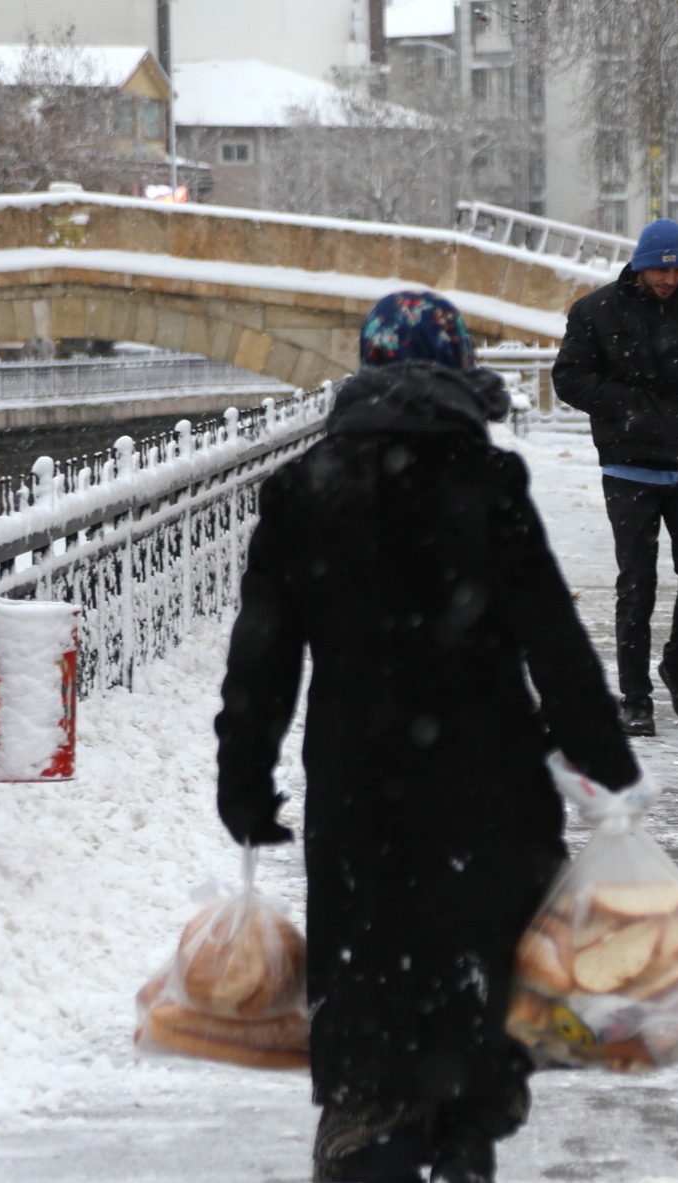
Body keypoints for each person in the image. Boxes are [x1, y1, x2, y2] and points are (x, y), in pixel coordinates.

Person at [215, 291, 640, 1183]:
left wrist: (245, 780)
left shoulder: (303, 488)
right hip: (488, 778)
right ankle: (465, 1128)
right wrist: (602, 759)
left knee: (367, 959)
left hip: (360, 783)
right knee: (479, 958)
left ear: (365, 369)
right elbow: (550, 635)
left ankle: (369, 1120)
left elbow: (262, 656)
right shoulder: (487, 483)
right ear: (459, 371)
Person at [552, 218, 678, 737]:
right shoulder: (595, 311)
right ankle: (635, 698)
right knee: (637, 586)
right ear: (640, 263)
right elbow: (567, 377)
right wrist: (631, 407)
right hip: (629, 468)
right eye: (662, 267)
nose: (670, 278)